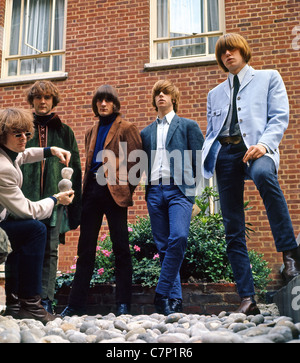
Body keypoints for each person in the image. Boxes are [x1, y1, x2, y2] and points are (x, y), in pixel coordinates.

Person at [201, 33, 300, 315]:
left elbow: (279, 116)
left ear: (243, 51)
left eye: (232, 50)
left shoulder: (269, 77)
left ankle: (290, 253)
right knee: (232, 224)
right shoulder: (214, 94)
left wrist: (264, 145)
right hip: (226, 155)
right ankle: (247, 297)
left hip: (259, 148)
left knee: (265, 176)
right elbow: (212, 131)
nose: (228, 55)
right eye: (223, 53)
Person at [61, 85, 142, 317]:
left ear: (115, 103)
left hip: (115, 192)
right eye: (99, 100)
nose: (103, 104)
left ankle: (123, 304)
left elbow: (138, 162)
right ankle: (76, 305)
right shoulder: (91, 130)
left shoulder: (127, 128)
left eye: (108, 100)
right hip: (92, 192)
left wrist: (125, 187)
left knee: (121, 249)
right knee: (85, 249)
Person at [0, 107, 74, 324]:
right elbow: (28, 210)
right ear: (2, 134)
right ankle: (31, 305)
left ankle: (15, 304)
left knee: (21, 230)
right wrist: (55, 199)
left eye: (27, 134)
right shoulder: (2, 168)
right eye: (18, 134)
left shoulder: (7, 154)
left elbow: (24, 155)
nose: (24, 139)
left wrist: (51, 149)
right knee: (34, 229)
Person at [141, 80, 204, 315]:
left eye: (166, 92)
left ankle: (160, 292)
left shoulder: (188, 126)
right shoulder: (145, 132)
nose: (161, 95)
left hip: (179, 191)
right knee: (165, 248)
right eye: (157, 92)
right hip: (155, 191)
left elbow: (198, 161)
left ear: (173, 98)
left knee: (178, 237)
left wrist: (190, 188)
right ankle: (174, 301)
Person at [20, 80, 82, 314]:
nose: (42, 101)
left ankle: (45, 300)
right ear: (32, 101)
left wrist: (71, 200)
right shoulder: (23, 128)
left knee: (50, 250)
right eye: (38, 97)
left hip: (55, 202)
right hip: (26, 200)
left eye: (47, 98)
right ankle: (24, 300)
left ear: (53, 101)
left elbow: (75, 167)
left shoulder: (64, 131)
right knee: (24, 249)